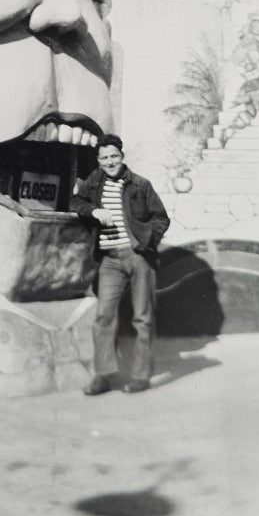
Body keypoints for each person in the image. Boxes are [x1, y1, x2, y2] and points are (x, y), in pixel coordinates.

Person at [71, 135, 170, 394]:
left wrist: (145, 242)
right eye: (104, 158)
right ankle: (103, 375)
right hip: (109, 261)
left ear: (122, 156)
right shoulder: (94, 182)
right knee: (103, 317)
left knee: (143, 319)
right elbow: (76, 202)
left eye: (113, 156)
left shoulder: (140, 184)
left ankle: (140, 376)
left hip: (138, 257)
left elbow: (161, 218)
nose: (109, 162)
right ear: (99, 160)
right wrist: (92, 211)